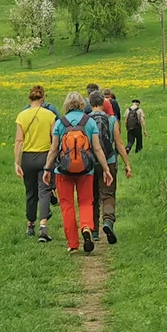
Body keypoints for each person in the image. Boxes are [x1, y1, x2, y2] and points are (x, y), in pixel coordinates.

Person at [44, 92, 111, 253]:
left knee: (67, 206)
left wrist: (47, 169)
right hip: (85, 170)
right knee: (86, 202)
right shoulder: (89, 122)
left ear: (66, 105)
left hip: (63, 170)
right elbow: (97, 148)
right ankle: (87, 227)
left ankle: (73, 244)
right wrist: (106, 169)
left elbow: (54, 149)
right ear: (82, 104)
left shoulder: (60, 122)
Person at [14, 85, 56, 241]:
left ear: (29, 98)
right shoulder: (50, 115)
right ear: (43, 98)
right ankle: (43, 226)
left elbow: (19, 141)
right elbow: (54, 139)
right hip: (44, 156)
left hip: (27, 157)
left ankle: (30, 223)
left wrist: (17, 162)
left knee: (30, 192)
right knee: (44, 190)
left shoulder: (21, 116)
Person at [88, 90, 130, 244]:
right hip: (110, 161)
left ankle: (93, 231)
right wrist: (127, 164)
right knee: (108, 194)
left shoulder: (85, 120)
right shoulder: (112, 120)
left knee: (92, 197)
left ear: (90, 103)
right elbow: (118, 144)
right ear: (103, 103)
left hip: (91, 163)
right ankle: (108, 222)